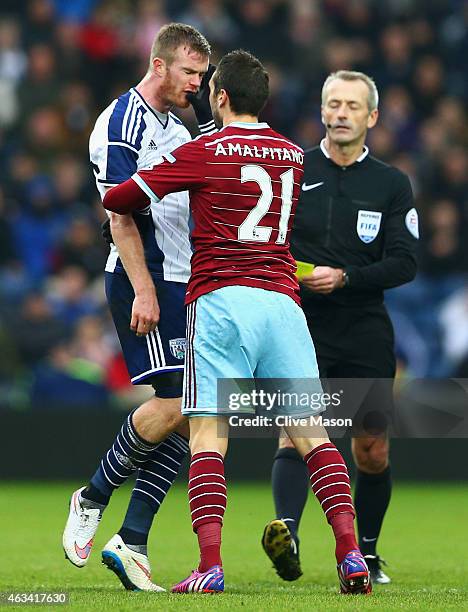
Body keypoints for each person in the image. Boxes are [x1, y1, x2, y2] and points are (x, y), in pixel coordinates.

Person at [103, 50, 372, 596]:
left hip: (222, 300)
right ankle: (350, 555)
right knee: (313, 437)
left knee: (208, 435)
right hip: (282, 302)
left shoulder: (204, 151)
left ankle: (210, 565)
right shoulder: (294, 156)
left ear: (220, 97)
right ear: (263, 100)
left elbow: (119, 197)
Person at [62, 23, 213, 592]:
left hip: (184, 280)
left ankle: (132, 540)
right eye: (189, 73)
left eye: (202, 76)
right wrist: (145, 288)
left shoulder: (179, 122)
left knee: (198, 412)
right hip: (143, 281)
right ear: (160, 65)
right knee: (179, 404)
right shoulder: (119, 122)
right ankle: (93, 495)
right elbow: (119, 213)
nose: (197, 85)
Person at [262, 70, 418, 584]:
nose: (341, 113)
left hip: (364, 328)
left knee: (370, 448)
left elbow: (405, 262)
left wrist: (346, 277)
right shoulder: (294, 172)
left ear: (372, 116)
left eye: (353, 105)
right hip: (299, 324)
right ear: (322, 110)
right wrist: (296, 276)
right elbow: (268, 243)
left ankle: (368, 552)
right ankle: (287, 534)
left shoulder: (392, 184)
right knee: (293, 433)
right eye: (333, 103)